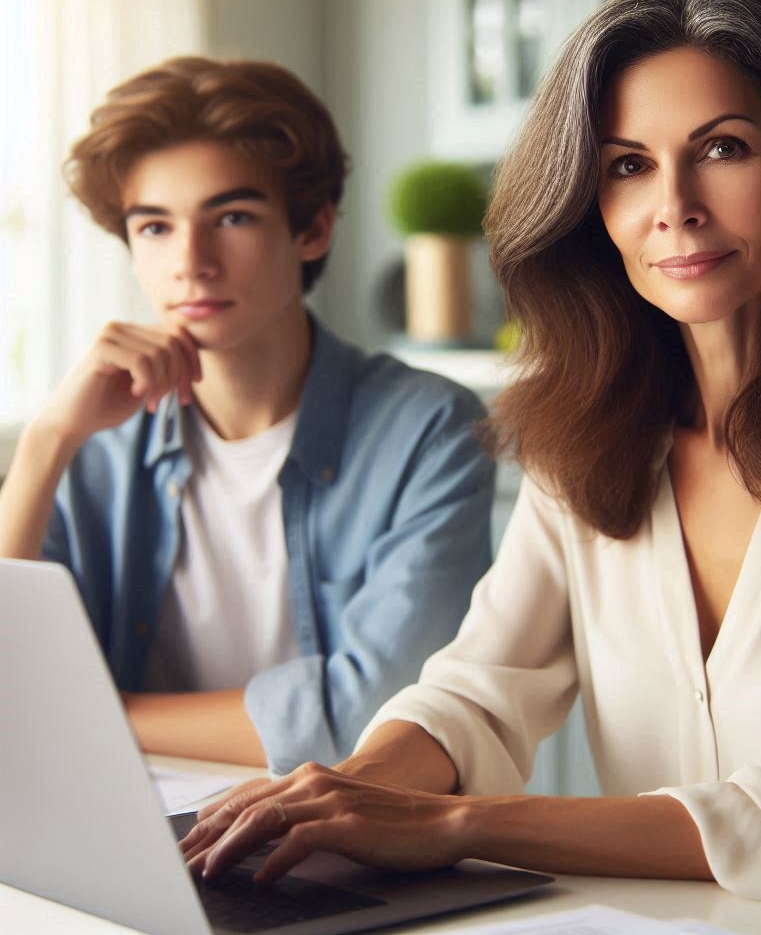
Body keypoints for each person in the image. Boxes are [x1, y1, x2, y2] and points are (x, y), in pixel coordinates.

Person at [178, 0, 761, 934]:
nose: (675, 207)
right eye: (626, 165)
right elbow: (480, 688)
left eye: (723, 148)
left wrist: (451, 823)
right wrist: (349, 790)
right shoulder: (585, 433)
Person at [0, 56, 495, 775]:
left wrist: (102, 711)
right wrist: (48, 440)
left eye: (231, 217)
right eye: (155, 228)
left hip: (346, 842)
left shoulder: (430, 429)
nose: (191, 262)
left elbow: (372, 715)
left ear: (313, 230)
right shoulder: (95, 442)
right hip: (131, 825)